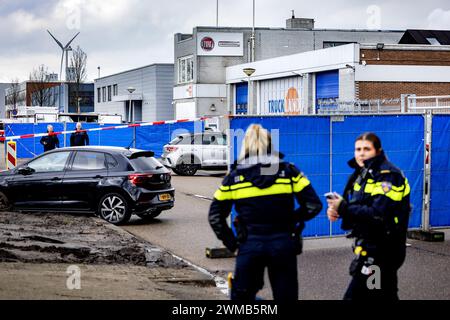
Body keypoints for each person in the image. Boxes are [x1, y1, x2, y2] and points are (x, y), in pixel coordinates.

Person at [209, 124, 323, 301]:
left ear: (245, 146)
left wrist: (232, 244)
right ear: (270, 146)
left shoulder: (234, 178)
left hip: (249, 244)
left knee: (242, 299)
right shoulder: (289, 171)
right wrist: (290, 221)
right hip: (283, 244)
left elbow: (215, 216)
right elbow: (313, 205)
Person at [326, 132, 411, 300]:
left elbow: (378, 214)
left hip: (383, 250)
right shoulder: (363, 174)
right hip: (371, 246)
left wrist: (343, 207)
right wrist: (338, 211)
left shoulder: (388, 175)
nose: (361, 153)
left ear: (378, 151)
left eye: (367, 149)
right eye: (358, 149)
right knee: (383, 295)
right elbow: (360, 208)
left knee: (358, 296)